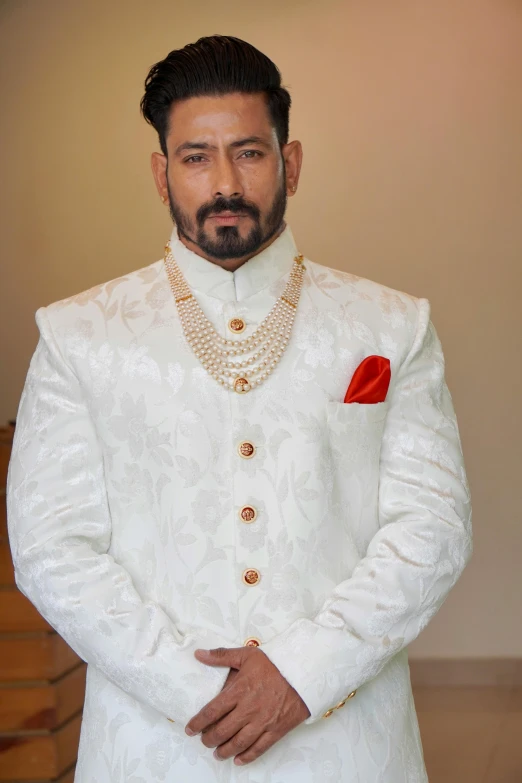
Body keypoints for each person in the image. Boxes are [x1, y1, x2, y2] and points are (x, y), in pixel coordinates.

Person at [6, 34, 472, 782]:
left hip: (347, 743)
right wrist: (198, 690)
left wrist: (300, 674)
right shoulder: (77, 337)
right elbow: (51, 548)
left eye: (249, 153)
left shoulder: (391, 325)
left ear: (290, 163)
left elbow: (434, 527)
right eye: (196, 157)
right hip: (154, 745)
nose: (224, 181)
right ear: (163, 175)